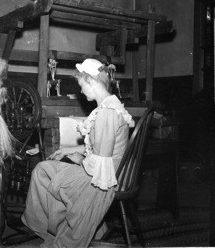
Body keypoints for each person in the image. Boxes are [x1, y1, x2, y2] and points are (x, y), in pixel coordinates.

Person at [21, 58, 133, 247]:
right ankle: (49, 226)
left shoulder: (106, 113)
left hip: (104, 178)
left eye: (82, 85)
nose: (81, 91)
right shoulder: (109, 107)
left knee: (47, 174)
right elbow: (100, 146)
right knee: (43, 169)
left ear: (90, 81)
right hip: (105, 171)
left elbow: (101, 161)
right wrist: (69, 150)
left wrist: (80, 159)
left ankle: (56, 228)